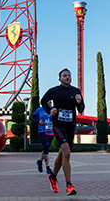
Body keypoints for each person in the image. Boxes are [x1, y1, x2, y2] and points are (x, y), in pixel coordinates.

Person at [41, 68, 85, 196]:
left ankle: (53, 177)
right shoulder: (54, 91)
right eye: (64, 75)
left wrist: (79, 101)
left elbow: (81, 108)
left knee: (63, 154)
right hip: (58, 125)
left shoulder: (76, 91)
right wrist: (50, 110)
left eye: (69, 76)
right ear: (59, 78)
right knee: (67, 152)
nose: (67, 77)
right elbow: (43, 101)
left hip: (70, 127)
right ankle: (69, 185)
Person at [32, 101, 54, 175]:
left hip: (51, 132)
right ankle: (48, 167)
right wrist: (38, 121)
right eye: (48, 101)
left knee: (46, 148)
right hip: (42, 131)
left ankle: (40, 161)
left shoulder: (53, 109)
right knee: (46, 146)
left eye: (51, 101)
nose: (50, 102)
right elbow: (33, 116)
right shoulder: (40, 109)